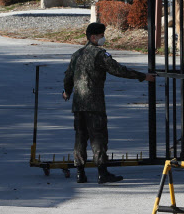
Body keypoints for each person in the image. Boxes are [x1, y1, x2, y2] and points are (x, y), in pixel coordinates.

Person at [63, 22, 155, 184]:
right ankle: (102, 173)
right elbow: (118, 70)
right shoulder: (99, 55)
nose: (103, 38)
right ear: (93, 37)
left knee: (80, 138)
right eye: (100, 36)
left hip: (78, 105)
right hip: (94, 104)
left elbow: (68, 77)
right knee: (98, 137)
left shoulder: (76, 54)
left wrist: (67, 92)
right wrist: (143, 76)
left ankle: (80, 173)